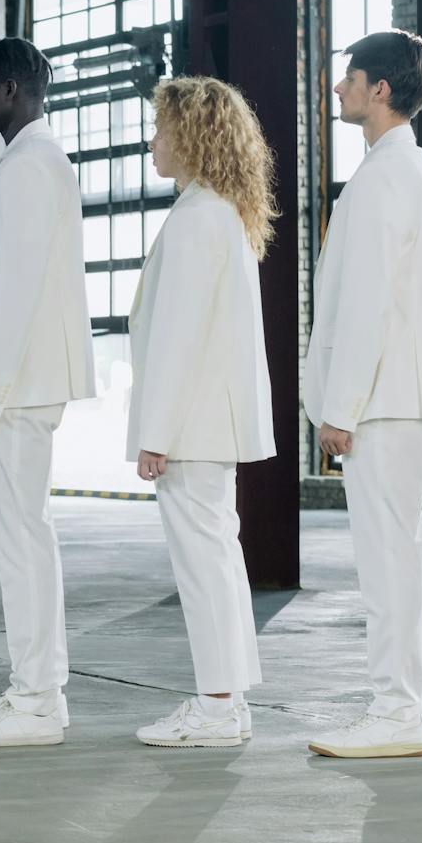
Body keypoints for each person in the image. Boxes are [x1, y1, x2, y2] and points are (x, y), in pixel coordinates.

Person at [303, 30, 422, 759]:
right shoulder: (402, 171)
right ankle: (400, 707)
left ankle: (398, 711)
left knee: (388, 557)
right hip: (397, 392)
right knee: (395, 552)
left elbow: (367, 303)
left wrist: (340, 407)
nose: (339, 90)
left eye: (349, 79)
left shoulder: (386, 178)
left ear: (381, 91)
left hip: (383, 398)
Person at [0, 37, 95, 749]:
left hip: (16, 389)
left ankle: (38, 701)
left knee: (23, 542)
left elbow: (18, 293)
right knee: (23, 540)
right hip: (19, 386)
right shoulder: (26, 162)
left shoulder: (33, 166)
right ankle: (33, 692)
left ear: (9, 90)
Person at [126, 78, 276, 748]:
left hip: (190, 425)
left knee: (204, 562)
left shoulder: (195, 220)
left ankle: (217, 707)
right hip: (210, 420)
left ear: (191, 135)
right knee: (218, 558)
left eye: (160, 128)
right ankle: (228, 701)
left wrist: (154, 435)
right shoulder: (222, 213)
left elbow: (178, 338)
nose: (151, 140)